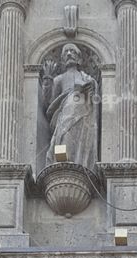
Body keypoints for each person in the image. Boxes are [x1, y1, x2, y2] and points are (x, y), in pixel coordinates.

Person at [42, 42, 99, 170]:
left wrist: (91, 88)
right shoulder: (59, 79)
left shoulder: (86, 77)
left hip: (84, 114)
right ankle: (62, 166)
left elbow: (94, 97)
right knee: (63, 137)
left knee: (81, 141)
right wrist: (47, 79)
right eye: (66, 52)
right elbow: (48, 102)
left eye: (72, 51)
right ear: (62, 59)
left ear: (79, 58)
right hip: (65, 113)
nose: (69, 54)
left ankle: (80, 164)